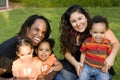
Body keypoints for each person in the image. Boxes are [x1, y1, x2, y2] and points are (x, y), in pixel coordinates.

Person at [54, 5, 120, 80]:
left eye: (80, 18)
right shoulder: (69, 33)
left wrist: (111, 57)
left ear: (85, 17)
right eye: (73, 21)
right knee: (60, 76)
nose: (78, 24)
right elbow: (66, 52)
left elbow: (116, 43)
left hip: (98, 65)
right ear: (70, 24)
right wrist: (76, 64)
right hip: (76, 64)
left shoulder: (97, 28)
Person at [0, 14, 51, 78]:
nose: (40, 35)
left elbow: (53, 63)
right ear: (27, 28)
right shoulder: (9, 48)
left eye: (43, 32)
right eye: (36, 30)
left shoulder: (40, 45)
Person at [79, 15, 112, 80]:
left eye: (102, 32)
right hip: (87, 67)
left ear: (105, 31)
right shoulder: (87, 41)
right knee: (82, 77)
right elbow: (83, 53)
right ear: (91, 32)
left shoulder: (107, 43)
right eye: (95, 32)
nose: (98, 35)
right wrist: (81, 65)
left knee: (105, 78)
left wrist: (106, 66)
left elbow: (109, 56)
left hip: (100, 69)